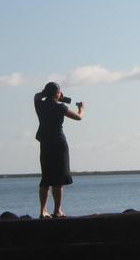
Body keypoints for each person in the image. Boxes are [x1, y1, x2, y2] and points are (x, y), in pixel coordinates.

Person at [33, 82, 84, 219]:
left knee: (46, 178)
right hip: (59, 144)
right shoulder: (60, 107)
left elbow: (37, 96)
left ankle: (43, 211)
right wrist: (81, 108)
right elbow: (79, 117)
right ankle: (57, 210)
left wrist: (49, 94)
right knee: (59, 180)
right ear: (57, 93)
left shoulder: (40, 104)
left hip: (45, 143)